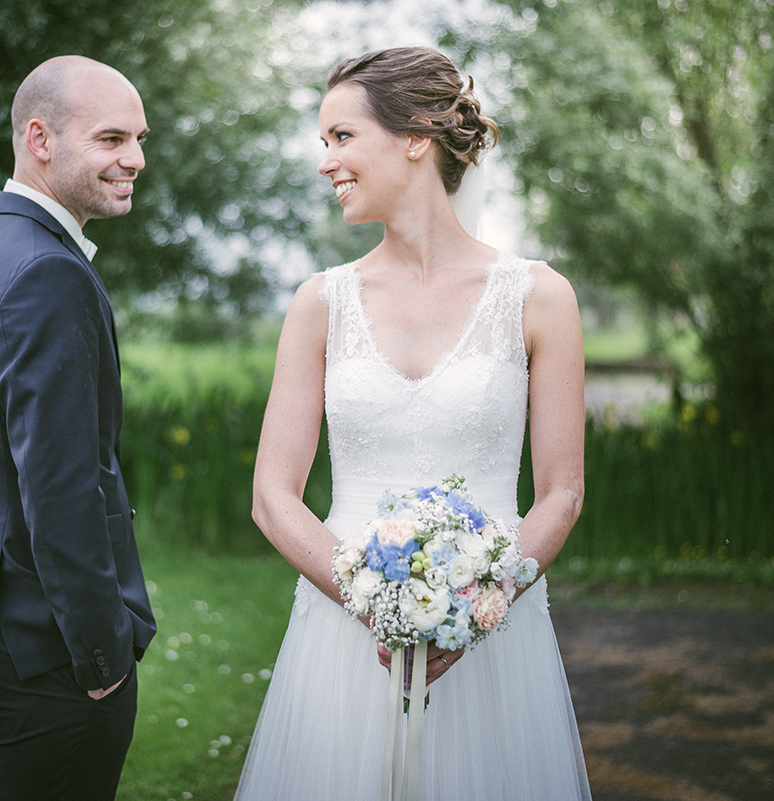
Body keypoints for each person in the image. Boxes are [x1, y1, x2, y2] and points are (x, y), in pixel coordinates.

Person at [235, 47, 591, 799]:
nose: (325, 161)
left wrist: (475, 607)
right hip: (344, 637)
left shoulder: (540, 297)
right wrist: (378, 604)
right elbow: (273, 493)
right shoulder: (319, 303)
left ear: (416, 137)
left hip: (495, 640)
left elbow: (561, 491)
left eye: (341, 137)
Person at [0, 55, 155, 800]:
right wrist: (101, 656)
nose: (135, 160)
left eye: (140, 138)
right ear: (40, 137)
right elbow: (62, 487)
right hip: (46, 653)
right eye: (112, 138)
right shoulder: (47, 272)